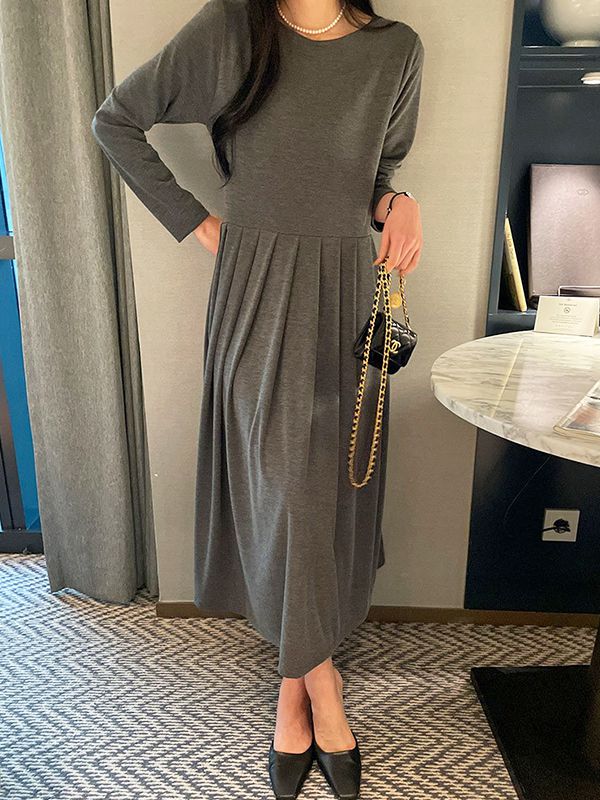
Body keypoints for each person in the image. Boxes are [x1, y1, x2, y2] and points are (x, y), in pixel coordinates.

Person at [91, 1, 424, 797]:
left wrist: (399, 202)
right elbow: (116, 121)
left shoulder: (396, 50)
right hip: (257, 292)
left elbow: (373, 180)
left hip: (345, 291)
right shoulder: (233, 29)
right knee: (283, 490)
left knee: (327, 486)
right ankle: (320, 688)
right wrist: (202, 225)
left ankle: (290, 689)